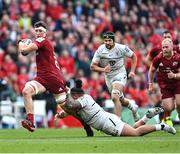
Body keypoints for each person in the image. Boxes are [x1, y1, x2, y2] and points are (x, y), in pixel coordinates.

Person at [18, 21, 93, 136]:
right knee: (26, 91)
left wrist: (20, 43)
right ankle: (31, 122)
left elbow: (24, 51)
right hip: (41, 77)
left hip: (54, 79)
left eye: (41, 31)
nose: (38, 33)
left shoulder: (42, 40)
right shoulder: (40, 42)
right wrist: (24, 46)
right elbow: (25, 53)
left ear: (45, 32)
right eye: (36, 31)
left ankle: (85, 123)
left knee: (68, 108)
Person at [55, 79, 176, 137]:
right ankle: (146, 117)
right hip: (107, 120)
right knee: (131, 129)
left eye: (72, 96)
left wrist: (65, 93)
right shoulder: (81, 98)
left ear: (76, 95)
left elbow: (72, 105)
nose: (70, 97)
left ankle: (161, 126)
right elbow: (71, 110)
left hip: (106, 122)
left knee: (135, 133)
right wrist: (61, 115)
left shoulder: (84, 99)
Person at [90, 31, 139, 121]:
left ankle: (118, 122)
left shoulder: (121, 48)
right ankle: (133, 108)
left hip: (120, 73)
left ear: (113, 41)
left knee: (114, 96)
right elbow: (92, 66)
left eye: (109, 40)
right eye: (106, 40)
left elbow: (134, 57)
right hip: (108, 76)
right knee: (121, 100)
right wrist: (103, 69)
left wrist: (132, 71)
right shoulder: (100, 49)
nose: (107, 42)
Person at [145, 30, 180, 125]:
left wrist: (175, 75)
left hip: (177, 81)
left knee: (178, 103)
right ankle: (165, 118)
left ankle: (169, 115)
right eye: (165, 37)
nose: (166, 39)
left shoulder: (177, 52)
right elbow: (149, 64)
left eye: (168, 37)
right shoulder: (157, 53)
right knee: (169, 106)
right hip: (163, 80)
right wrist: (151, 82)